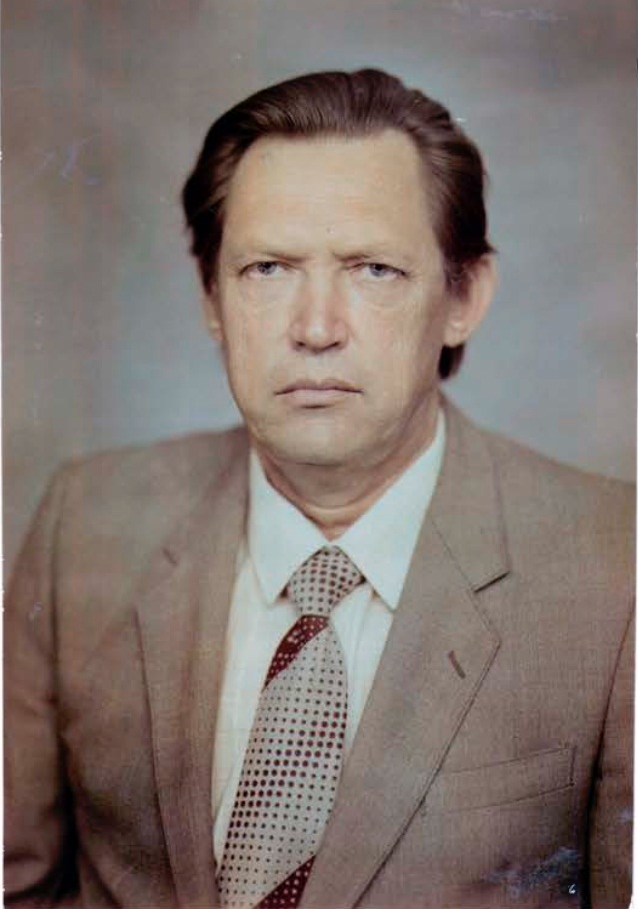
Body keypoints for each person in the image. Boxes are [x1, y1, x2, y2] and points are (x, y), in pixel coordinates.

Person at [4, 69, 633, 909]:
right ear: (212, 298)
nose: (315, 328)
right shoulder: (84, 524)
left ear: (464, 297)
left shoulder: (616, 571)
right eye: (268, 268)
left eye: (374, 269)